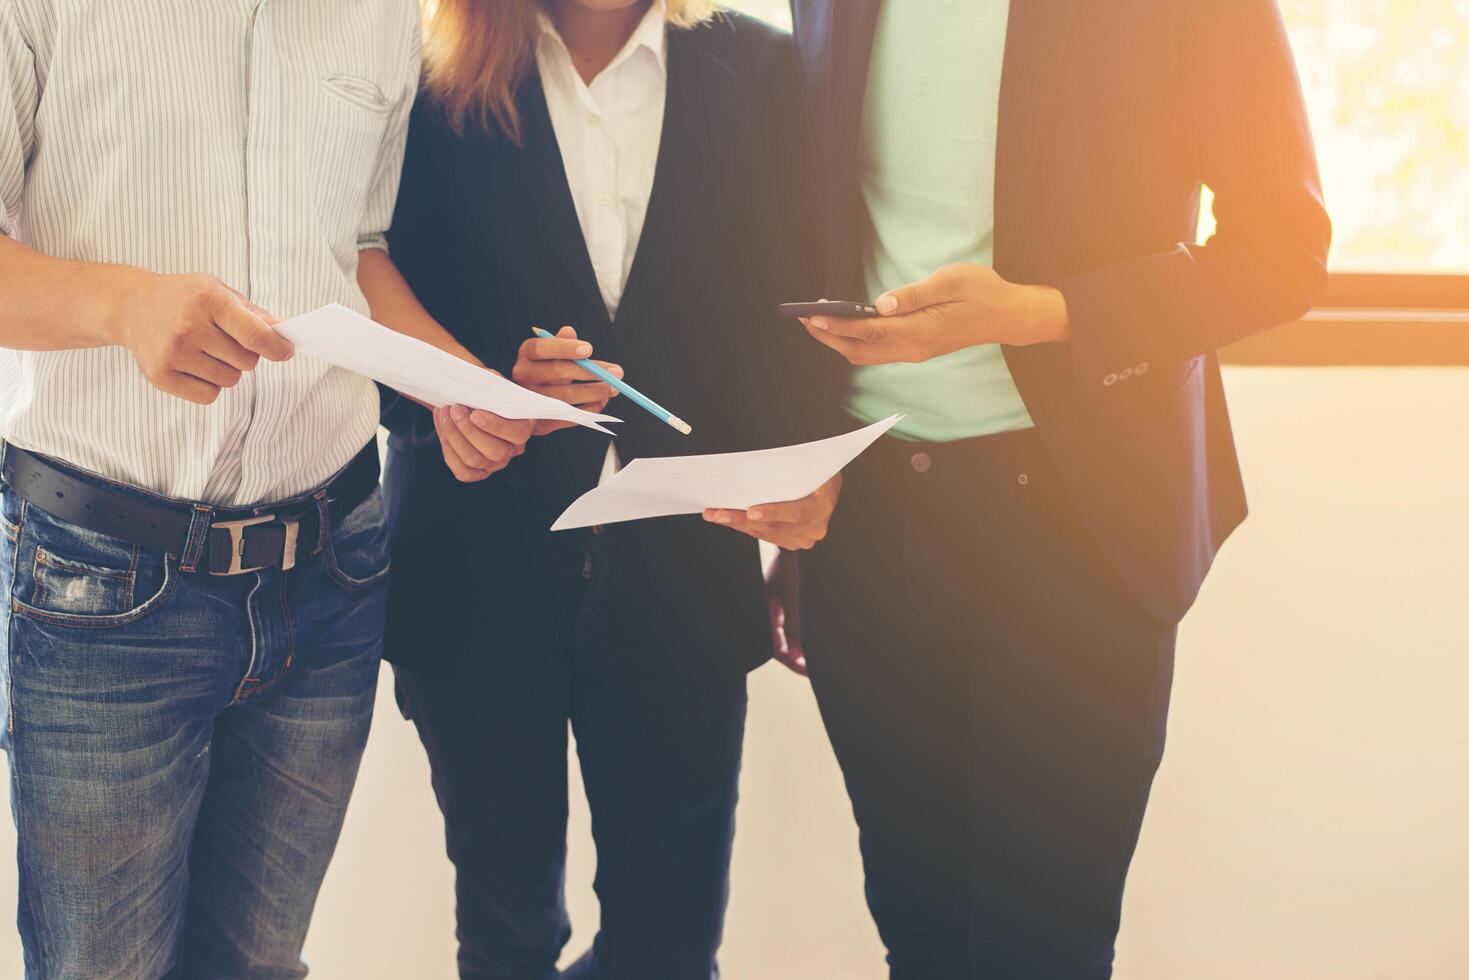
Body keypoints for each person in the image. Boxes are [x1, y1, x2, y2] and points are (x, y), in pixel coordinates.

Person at [782, 1, 1333, 976]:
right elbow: (804, 221)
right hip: (866, 530)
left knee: (1042, 953)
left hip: (1077, 529)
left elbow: (1281, 249)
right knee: (919, 942)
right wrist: (790, 463)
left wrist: (1042, 314)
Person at [0, 4, 533, 977]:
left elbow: (356, 248)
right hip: (105, 585)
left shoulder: (378, 14)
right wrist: (123, 304)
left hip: (330, 577)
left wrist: (458, 383)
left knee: (259, 964)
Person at [365, 1, 832, 977]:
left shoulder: (759, 66)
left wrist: (796, 530)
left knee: (667, 945)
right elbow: (370, 310)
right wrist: (485, 388)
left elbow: (783, 314)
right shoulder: (424, 75)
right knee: (506, 937)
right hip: (475, 571)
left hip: (684, 568)